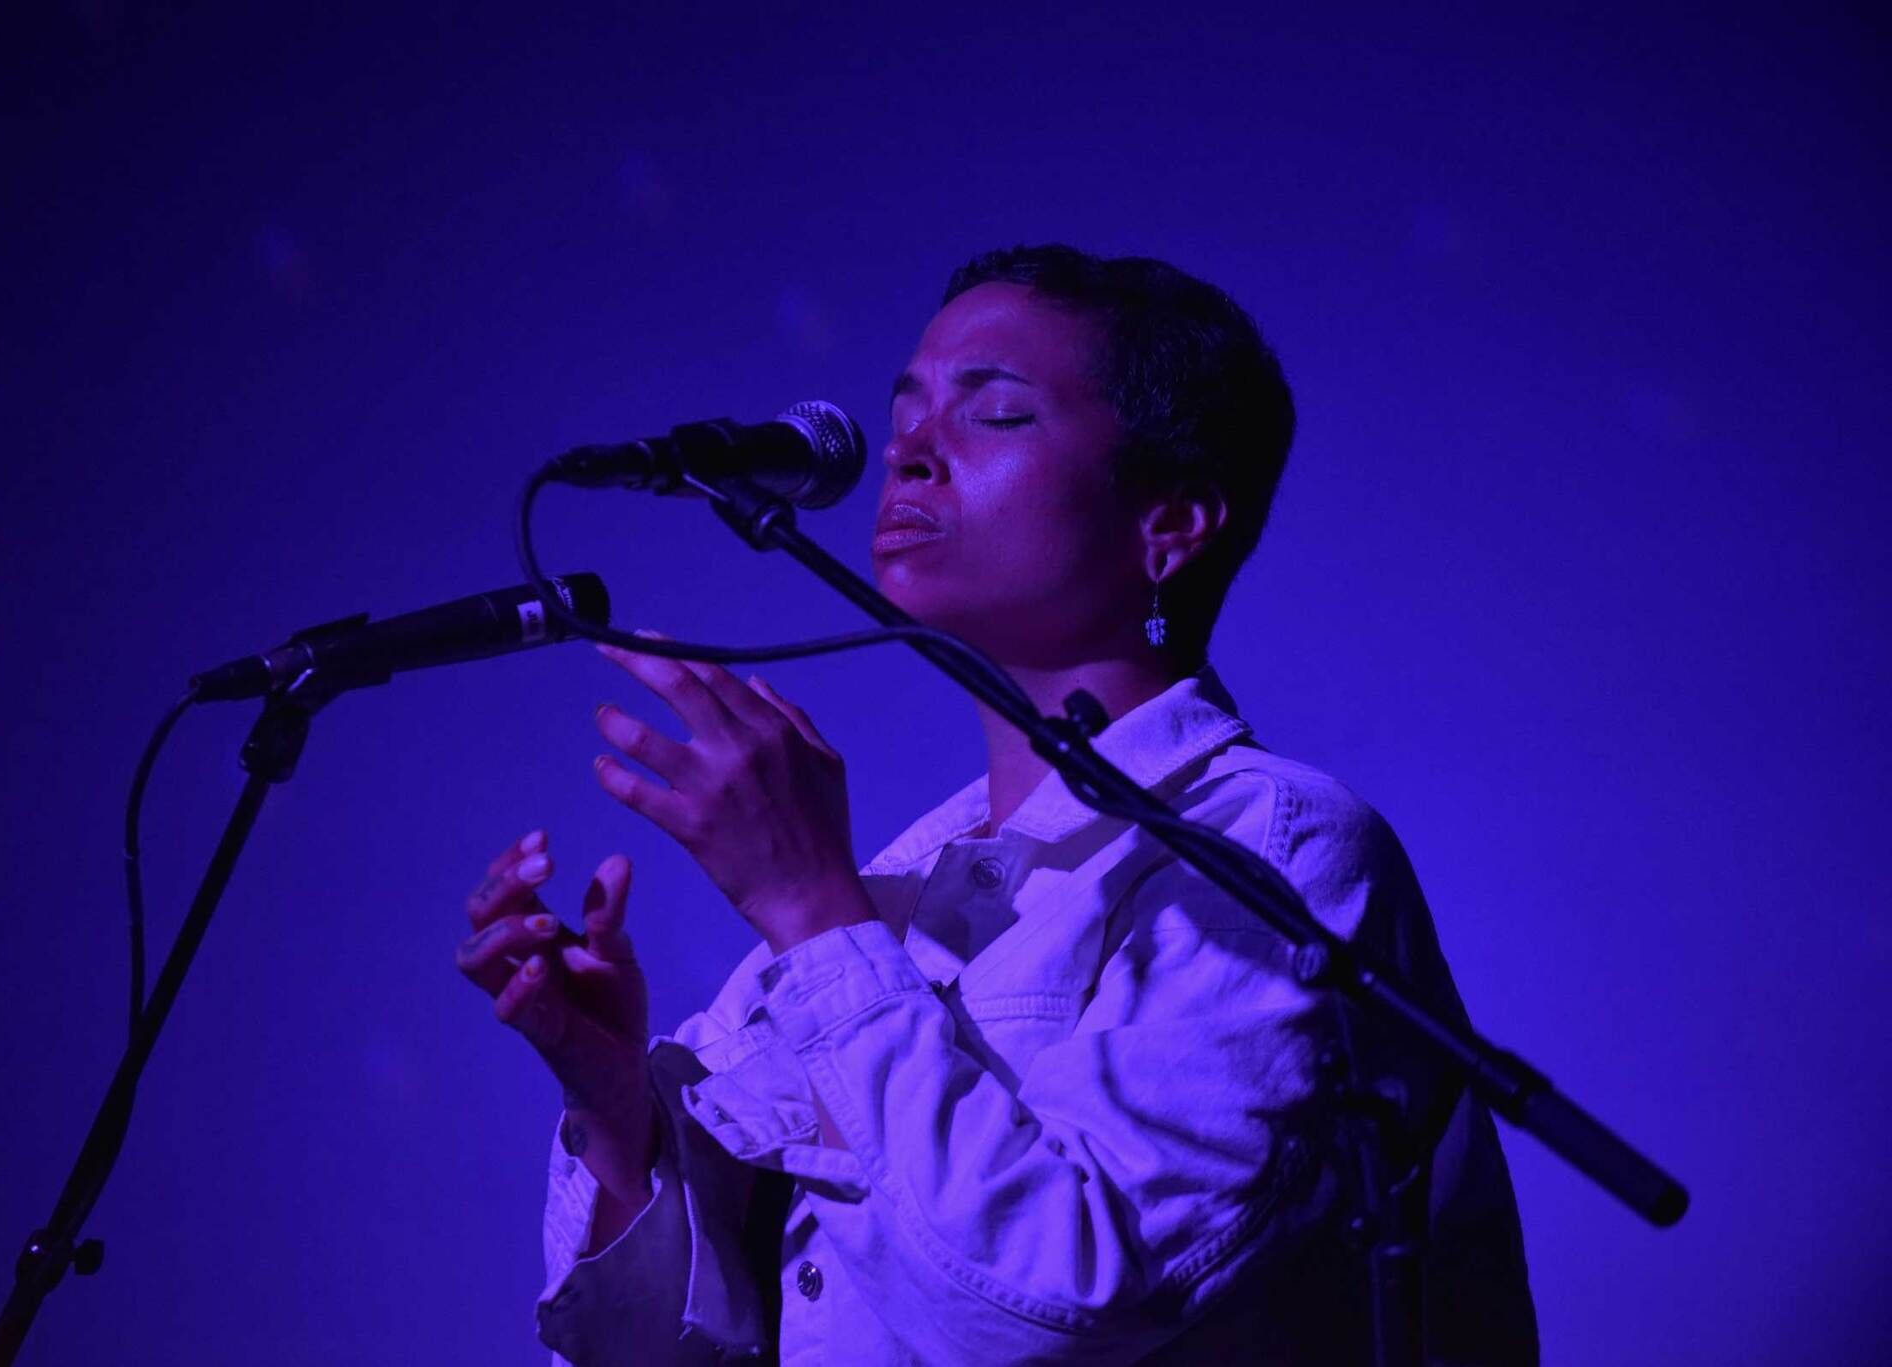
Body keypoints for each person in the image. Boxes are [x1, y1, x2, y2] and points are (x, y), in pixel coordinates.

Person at [455, 245, 1538, 1364]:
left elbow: (1047, 1308)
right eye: (904, 411)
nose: (909, 453)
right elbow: (659, 1350)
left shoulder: (1270, 846)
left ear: (1169, 523)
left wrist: (818, 917)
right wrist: (618, 1118)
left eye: (997, 413)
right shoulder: (925, 876)